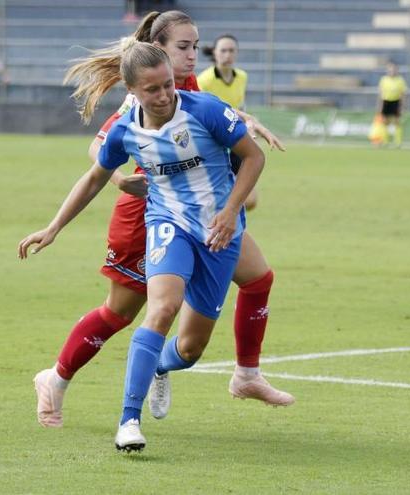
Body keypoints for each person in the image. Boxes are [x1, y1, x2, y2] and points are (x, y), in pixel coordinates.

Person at [28, 11, 293, 430]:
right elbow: (101, 153)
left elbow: (207, 115)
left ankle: (245, 374)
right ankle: (56, 379)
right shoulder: (143, 94)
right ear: (158, 49)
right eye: (183, 47)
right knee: (122, 313)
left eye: (195, 46)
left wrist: (246, 121)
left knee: (258, 278)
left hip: (202, 213)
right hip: (148, 218)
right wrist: (119, 179)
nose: (193, 56)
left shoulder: (180, 87)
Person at [197, 34, 259, 210]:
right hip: (213, 145)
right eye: (223, 50)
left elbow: (240, 107)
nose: (227, 55)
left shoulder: (242, 77)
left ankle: (226, 219)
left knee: (250, 201)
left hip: (235, 141)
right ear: (214, 53)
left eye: (232, 50)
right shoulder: (204, 80)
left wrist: (248, 126)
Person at [377, 62, 407, 147]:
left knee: (397, 122)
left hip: (396, 101)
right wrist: (380, 106)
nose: (392, 71)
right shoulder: (384, 79)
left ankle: (398, 142)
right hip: (386, 101)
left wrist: (402, 106)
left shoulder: (400, 80)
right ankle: (385, 141)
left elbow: (403, 94)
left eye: (393, 69)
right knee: (384, 122)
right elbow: (380, 93)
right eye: (390, 70)